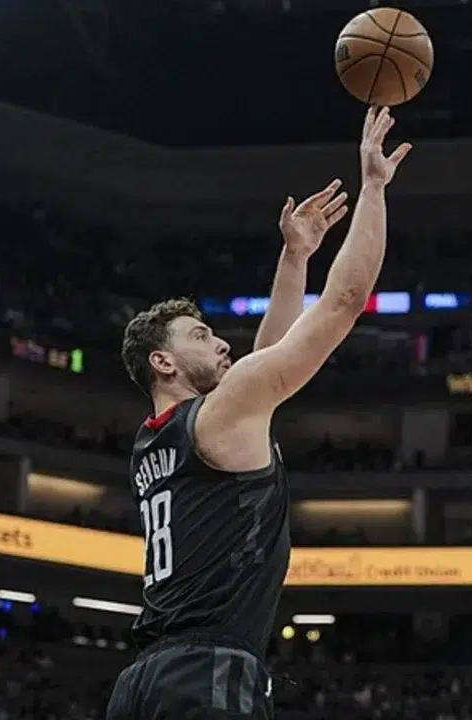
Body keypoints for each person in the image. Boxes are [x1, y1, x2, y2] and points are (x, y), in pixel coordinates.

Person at [105, 107, 411, 720]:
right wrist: (374, 187)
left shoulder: (153, 441)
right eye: (201, 336)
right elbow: (345, 302)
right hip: (207, 673)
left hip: (141, 681)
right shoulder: (217, 418)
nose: (222, 343)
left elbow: (265, 361)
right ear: (163, 362)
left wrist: (296, 258)